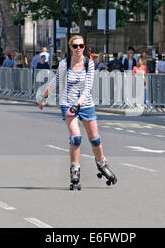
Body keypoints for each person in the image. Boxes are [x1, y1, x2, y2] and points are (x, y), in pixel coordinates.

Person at [38, 35, 117, 190]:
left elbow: (87, 88)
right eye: (75, 46)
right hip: (67, 103)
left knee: (95, 139)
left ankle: (101, 163)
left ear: (84, 47)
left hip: (85, 104)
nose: (78, 49)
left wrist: (78, 104)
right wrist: (44, 97)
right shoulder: (65, 63)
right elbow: (55, 81)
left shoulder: (89, 63)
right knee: (76, 138)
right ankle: (75, 170)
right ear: (70, 48)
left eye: (81, 46)